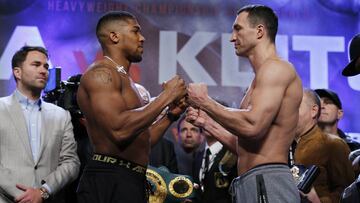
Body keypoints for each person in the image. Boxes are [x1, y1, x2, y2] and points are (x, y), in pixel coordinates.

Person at [186, 4, 302, 202]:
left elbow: (252, 126)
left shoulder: (276, 69)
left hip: (268, 180)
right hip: (252, 181)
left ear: (259, 31)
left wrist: (205, 102)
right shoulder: (257, 81)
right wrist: (208, 123)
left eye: (238, 28)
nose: (232, 37)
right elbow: (244, 146)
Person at [76, 11, 186, 203]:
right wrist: (167, 96)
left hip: (131, 178)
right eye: (135, 31)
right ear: (114, 36)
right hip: (108, 179)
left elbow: (144, 139)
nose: (142, 38)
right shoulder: (101, 74)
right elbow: (119, 130)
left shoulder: (128, 81)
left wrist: (170, 116)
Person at [0, 46, 80, 203]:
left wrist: (43, 191)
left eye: (46, 66)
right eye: (36, 65)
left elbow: (71, 162)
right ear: (17, 72)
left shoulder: (61, 116)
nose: (44, 71)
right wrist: (22, 196)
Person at [294, 89, 354, 202]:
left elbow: (348, 191)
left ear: (313, 111)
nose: (288, 110)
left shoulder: (334, 144)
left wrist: (319, 201)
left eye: (296, 105)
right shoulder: (280, 145)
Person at [192, 101, 237, 203]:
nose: (208, 121)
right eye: (206, 116)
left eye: (214, 117)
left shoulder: (234, 153)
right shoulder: (197, 157)